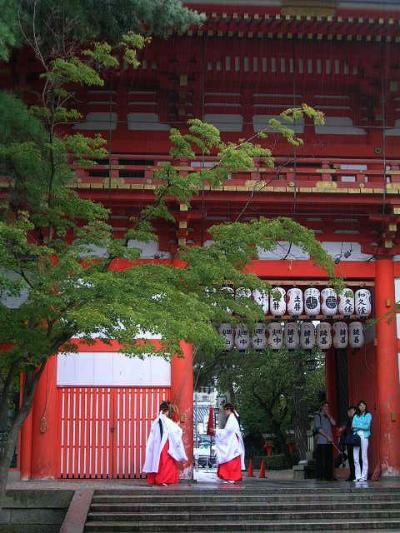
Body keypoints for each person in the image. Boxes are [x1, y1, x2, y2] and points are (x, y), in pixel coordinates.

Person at [143, 400, 187, 485]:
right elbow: (174, 430)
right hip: (164, 444)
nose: (168, 413)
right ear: (165, 411)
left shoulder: (157, 420)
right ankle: (162, 479)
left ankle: (157, 479)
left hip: (157, 444)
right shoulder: (164, 420)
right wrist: (180, 423)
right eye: (168, 411)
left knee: (157, 461)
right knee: (166, 462)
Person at [209, 403, 245, 484]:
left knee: (230, 458)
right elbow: (227, 431)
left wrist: (215, 431)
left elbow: (227, 431)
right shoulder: (232, 417)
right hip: (232, 441)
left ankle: (231, 477)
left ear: (228, 409)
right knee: (231, 458)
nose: (224, 412)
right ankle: (231, 477)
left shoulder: (232, 418)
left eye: (224, 410)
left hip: (232, 442)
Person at [314, 401, 336, 481]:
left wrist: (329, 415)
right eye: (325, 406)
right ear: (322, 407)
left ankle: (329, 476)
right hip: (321, 441)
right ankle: (321, 476)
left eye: (327, 406)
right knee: (321, 460)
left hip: (329, 442)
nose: (326, 408)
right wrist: (327, 437)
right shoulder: (317, 416)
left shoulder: (328, 416)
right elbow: (319, 429)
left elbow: (334, 423)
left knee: (329, 459)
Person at [352, 400, 372, 482]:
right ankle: (358, 476)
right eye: (360, 405)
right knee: (355, 457)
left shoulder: (368, 415)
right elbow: (353, 426)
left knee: (364, 456)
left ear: (365, 406)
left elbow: (367, 427)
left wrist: (358, 426)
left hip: (364, 436)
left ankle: (364, 476)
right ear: (358, 407)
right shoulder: (356, 416)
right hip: (356, 436)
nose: (362, 407)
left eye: (363, 405)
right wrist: (361, 425)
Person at [339, 405, 360, 481]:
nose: (349, 412)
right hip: (349, 441)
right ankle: (352, 474)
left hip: (354, 440)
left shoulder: (356, 418)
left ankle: (356, 475)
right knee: (351, 458)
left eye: (351, 411)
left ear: (354, 411)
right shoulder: (348, 420)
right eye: (348, 411)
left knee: (356, 459)